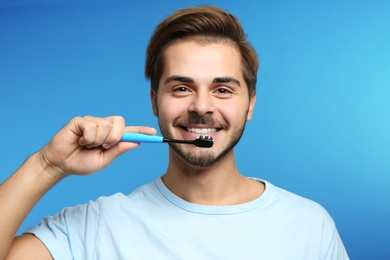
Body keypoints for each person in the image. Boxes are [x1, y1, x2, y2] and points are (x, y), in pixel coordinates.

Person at [1, 5, 349, 259]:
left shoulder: (308, 225)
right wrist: (48, 166)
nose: (201, 106)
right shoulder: (95, 226)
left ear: (251, 104)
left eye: (223, 89)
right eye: (182, 88)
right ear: (155, 101)